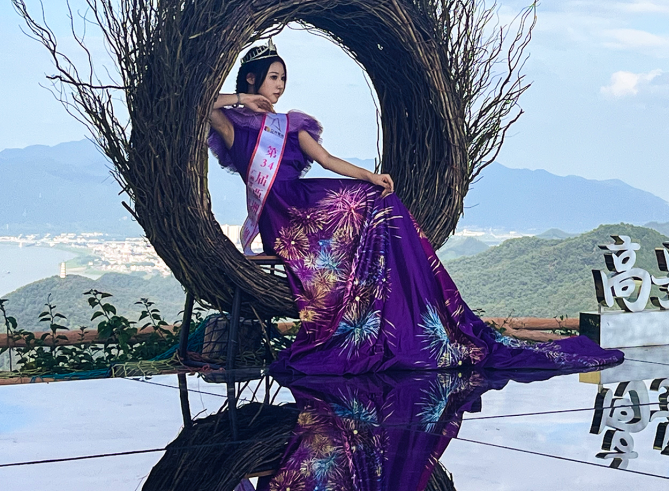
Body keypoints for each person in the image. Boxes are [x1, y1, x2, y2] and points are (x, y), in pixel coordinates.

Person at [209, 42, 622, 374]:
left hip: (311, 208)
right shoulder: (231, 125)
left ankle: (410, 310)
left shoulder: (290, 125)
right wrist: (243, 99)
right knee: (370, 206)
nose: (280, 86)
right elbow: (202, 103)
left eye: (284, 78)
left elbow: (329, 161)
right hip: (284, 218)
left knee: (379, 201)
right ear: (253, 78)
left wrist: (370, 176)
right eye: (274, 77)